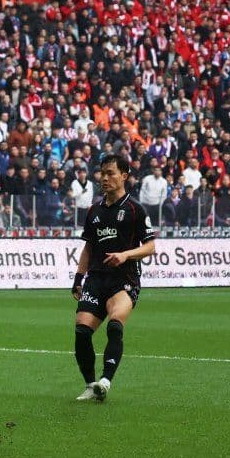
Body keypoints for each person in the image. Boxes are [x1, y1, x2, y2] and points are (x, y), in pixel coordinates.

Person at [71, 154, 157, 402]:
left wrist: (125, 255)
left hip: (124, 279)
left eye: (110, 173)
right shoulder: (94, 211)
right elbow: (88, 248)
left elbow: (150, 247)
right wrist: (78, 278)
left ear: (124, 176)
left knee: (115, 325)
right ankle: (90, 385)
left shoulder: (135, 209)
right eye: (102, 173)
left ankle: (106, 380)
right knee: (82, 331)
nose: (105, 178)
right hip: (96, 280)